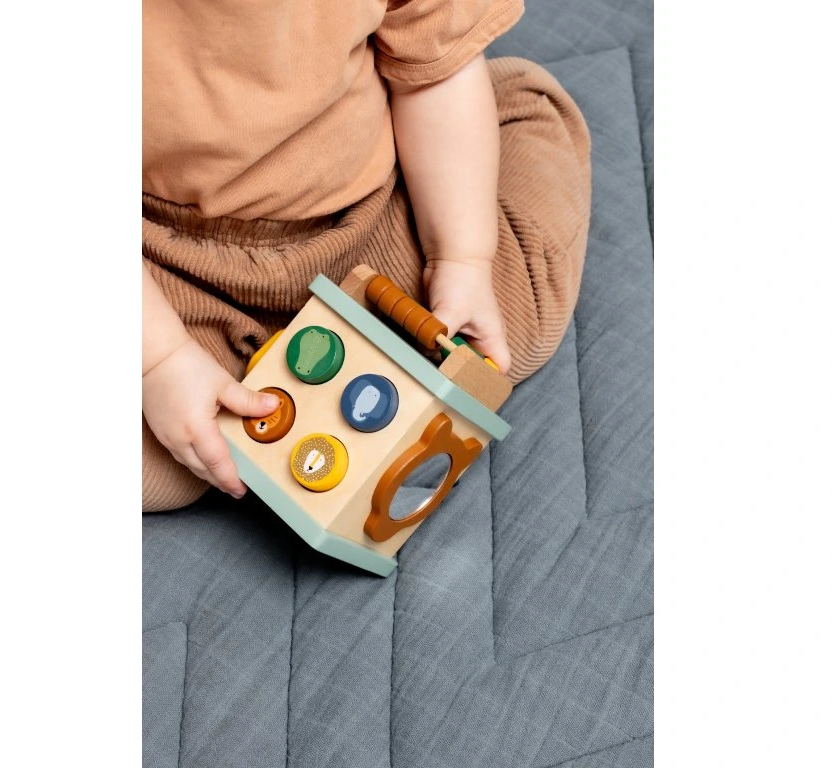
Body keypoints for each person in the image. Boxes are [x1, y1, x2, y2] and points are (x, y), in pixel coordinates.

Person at [142, 0, 592, 512]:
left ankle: (506, 107)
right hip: (165, 269)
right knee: (164, 468)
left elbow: (433, 73)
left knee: (508, 336)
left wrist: (461, 257)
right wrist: (160, 363)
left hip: (373, 219)